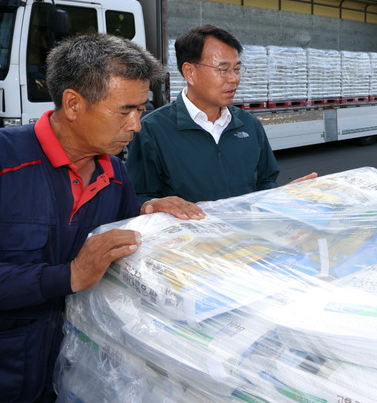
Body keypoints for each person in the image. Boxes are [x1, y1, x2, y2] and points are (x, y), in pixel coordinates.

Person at [0, 33, 205, 403]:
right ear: (73, 104)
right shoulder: (6, 162)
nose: (136, 125)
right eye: (125, 111)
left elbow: (117, 259)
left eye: (141, 110)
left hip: (72, 372)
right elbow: (75, 272)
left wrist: (145, 219)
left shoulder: (115, 175)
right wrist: (68, 275)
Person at [126, 24, 315, 203]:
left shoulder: (249, 125)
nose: (234, 79)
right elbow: (137, 198)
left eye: (237, 69)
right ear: (189, 72)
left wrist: (283, 193)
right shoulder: (152, 130)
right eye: (223, 70)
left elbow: (264, 183)